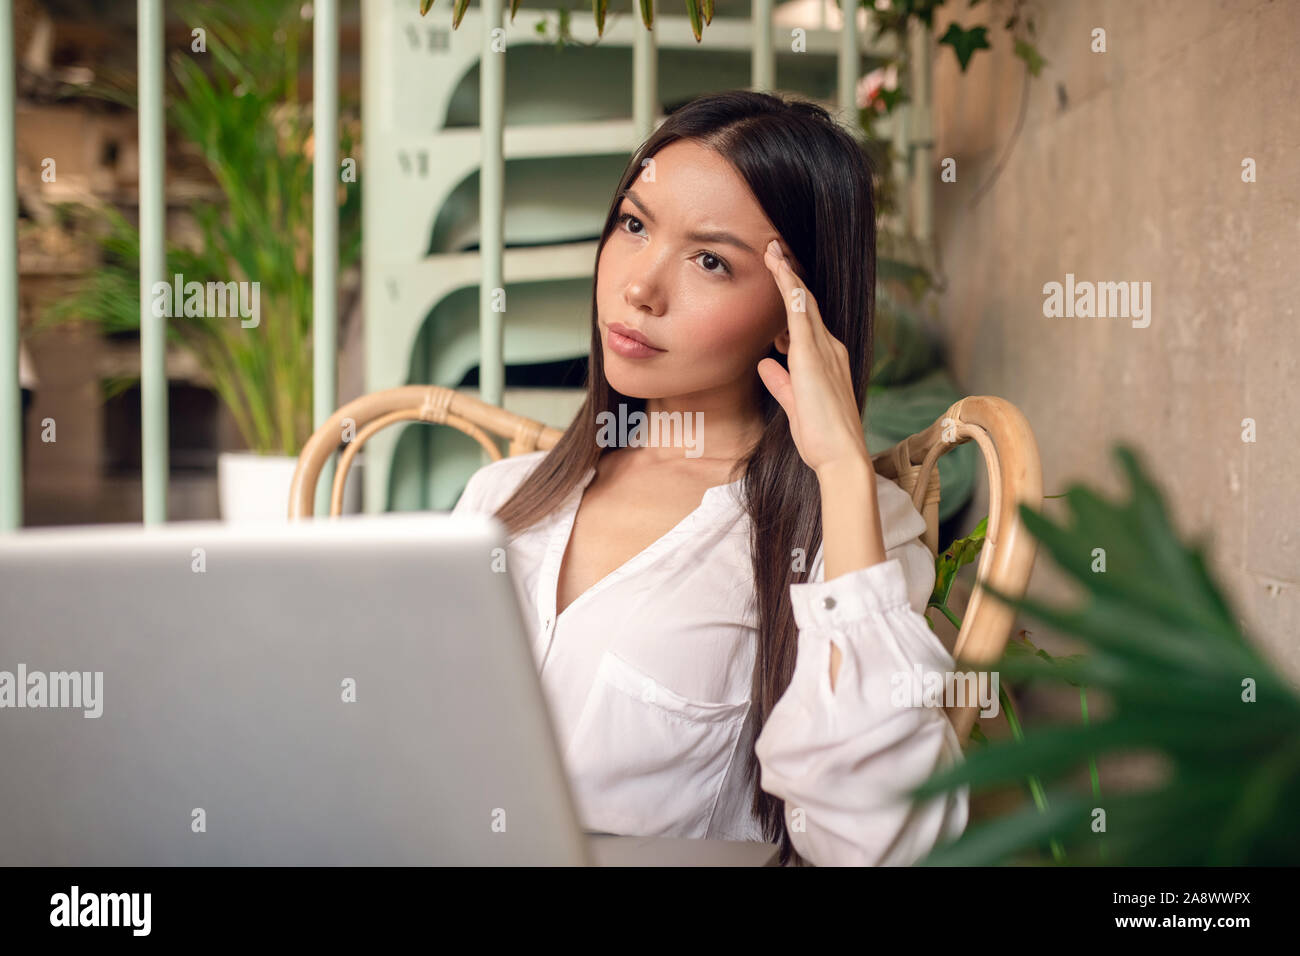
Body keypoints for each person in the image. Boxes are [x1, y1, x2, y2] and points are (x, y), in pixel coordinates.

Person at [451, 89, 968, 866]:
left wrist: (839, 469)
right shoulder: (501, 497)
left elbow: (883, 843)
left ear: (795, 310)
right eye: (633, 225)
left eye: (710, 261)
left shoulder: (843, 529)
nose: (639, 288)